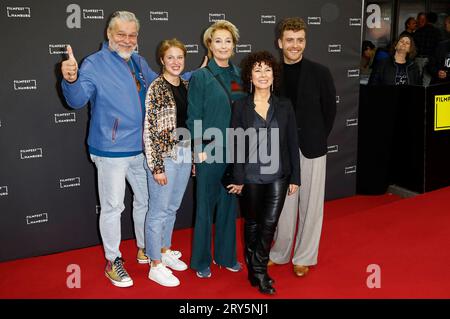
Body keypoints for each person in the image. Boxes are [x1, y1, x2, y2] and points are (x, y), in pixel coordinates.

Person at [60, 11, 202, 288]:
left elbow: (166, 80)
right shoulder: (94, 63)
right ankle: (113, 260)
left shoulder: (138, 61)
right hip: (110, 151)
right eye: (121, 34)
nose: (127, 40)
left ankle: (144, 249)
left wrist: (200, 72)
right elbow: (76, 101)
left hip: (141, 149)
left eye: (132, 35)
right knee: (113, 207)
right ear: (109, 35)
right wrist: (71, 80)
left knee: (147, 203)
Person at [268, 17, 336, 278]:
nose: (295, 45)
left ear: (304, 41)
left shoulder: (320, 72)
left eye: (300, 40)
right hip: (280, 149)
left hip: (312, 147)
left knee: (311, 205)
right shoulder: (271, 73)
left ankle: (304, 255)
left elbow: (330, 110)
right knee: (284, 203)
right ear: (280, 42)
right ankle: (280, 252)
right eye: (289, 40)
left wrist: (315, 136)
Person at [227, 51, 300, 295]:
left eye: (267, 70)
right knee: (252, 223)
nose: (263, 74)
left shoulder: (285, 105)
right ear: (249, 75)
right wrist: (237, 177)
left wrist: (296, 177)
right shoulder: (240, 106)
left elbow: (292, 142)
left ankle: (258, 270)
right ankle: (255, 268)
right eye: (257, 70)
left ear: (274, 75)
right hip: (250, 175)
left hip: (278, 175)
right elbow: (236, 145)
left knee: (269, 223)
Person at [186, 20, 246, 278]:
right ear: (209, 45)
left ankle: (226, 256)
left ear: (234, 45)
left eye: (228, 41)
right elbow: (193, 116)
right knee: (204, 208)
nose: (223, 46)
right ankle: (201, 262)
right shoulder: (200, 76)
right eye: (218, 41)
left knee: (229, 206)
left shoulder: (240, 75)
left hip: (234, 150)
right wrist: (197, 152)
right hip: (208, 151)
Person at [143, 39, 192, 287]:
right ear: (162, 60)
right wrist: (157, 166)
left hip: (183, 153)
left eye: (180, 57)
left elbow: (187, 123)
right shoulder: (156, 88)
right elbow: (150, 130)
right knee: (158, 212)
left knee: (171, 209)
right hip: (164, 158)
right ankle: (154, 265)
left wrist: (191, 155)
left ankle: (164, 250)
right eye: (170, 57)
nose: (176, 62)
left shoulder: (185, 85)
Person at [413, 12, 442, 86]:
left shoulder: (418, 31)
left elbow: (414, 46)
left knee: (415, 80)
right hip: (430, 59)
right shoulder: (437, 32)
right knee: (427, 81)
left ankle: (415, 95)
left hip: (418, 58)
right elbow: (439, 47)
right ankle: (425, 95)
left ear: (426, 20)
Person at [428, 16, 450, 84]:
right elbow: (430, 65)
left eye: (446, 24)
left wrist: (448, 75)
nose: (445, 27)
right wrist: (437, 72)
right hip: (441, 87)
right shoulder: (441, 45)